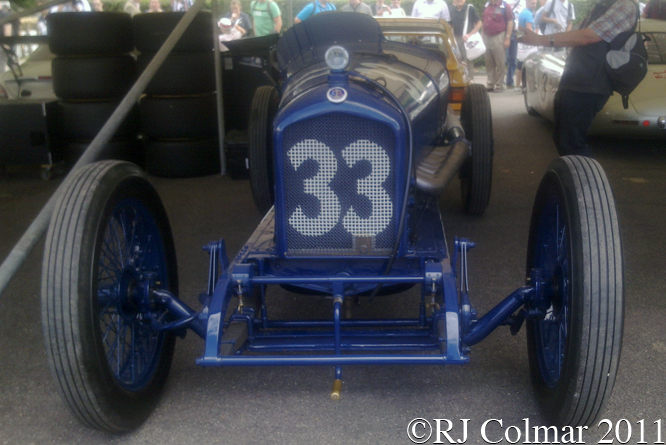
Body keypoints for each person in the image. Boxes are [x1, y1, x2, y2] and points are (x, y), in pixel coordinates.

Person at [518, 0, 639, 157]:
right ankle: (574, 178)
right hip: (577, 79)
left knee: (572, 142)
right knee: (564, 138)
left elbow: (587, 37)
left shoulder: (624, 6)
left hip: (591, 83)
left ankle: (586, 180)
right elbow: (579, 36)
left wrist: (539, 39)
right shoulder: (604, 5)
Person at [482, 0, 514, 92]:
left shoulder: (505, 6)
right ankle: (490, 84)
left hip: (499, 35)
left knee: (500, 62)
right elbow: (484, 21)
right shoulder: (487, 4)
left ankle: (499, 85)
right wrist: (482, 35)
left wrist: (507, 38)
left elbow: (510, 22)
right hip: (487, 36)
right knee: (489, 62)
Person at [515, 0, 536, 88]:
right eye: (532, 3)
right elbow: (529, 29)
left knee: (520, 64)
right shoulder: (528, 14)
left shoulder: (522, 13)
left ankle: (517, 85)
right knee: (532, 63)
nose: (534, 5)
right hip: (529, 43)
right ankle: (529, 85)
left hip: (522, 41)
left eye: (535, 3)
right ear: (527, 3)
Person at [505, 0, 525, 89]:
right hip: (506, 32)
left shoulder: (523, 2)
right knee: (503, 59)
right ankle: (499, 82)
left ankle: (509, 81)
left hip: (517, 33)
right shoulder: (505, 1)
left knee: (513, 59)